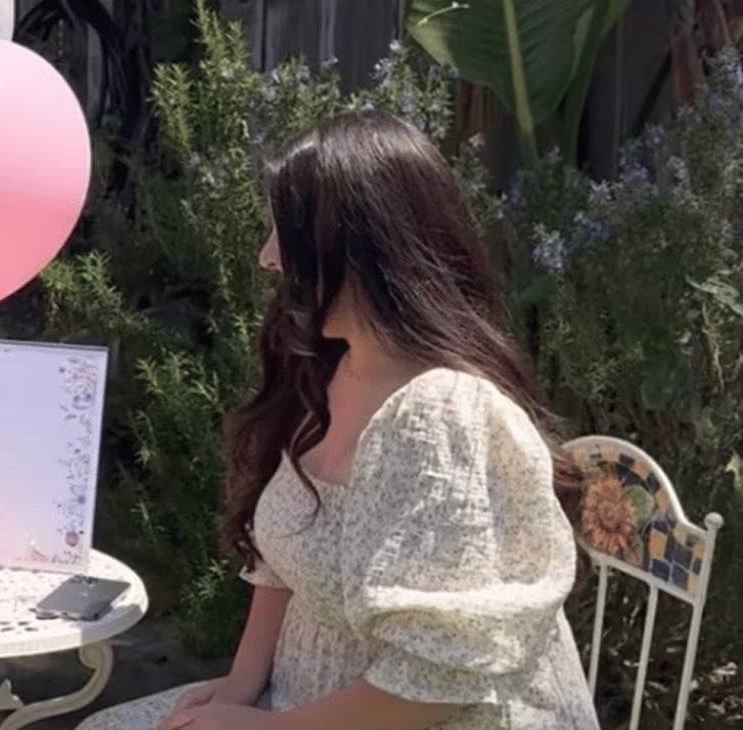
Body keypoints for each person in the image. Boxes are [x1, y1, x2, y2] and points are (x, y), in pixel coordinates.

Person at [77, 111, 598, 729]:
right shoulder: (335, 370)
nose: (267, 257)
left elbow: (435, 683)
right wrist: (241, 686)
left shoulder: (442, 416)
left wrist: (264, 727)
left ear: (356, 247)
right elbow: (285, 547)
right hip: (301, 704)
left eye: (283, 234)